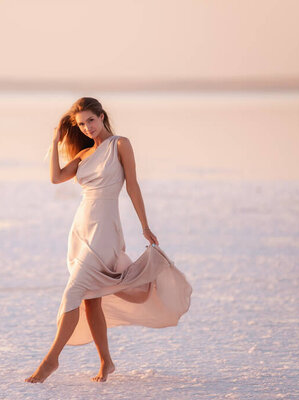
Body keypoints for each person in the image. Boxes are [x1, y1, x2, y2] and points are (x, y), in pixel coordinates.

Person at [25, 97, 192, 383]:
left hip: (105, 229)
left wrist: (144, 225)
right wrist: (55, 141)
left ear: (102, 116)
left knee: (74, 291)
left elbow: (133, 185)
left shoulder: (120, 144)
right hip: (81, 229)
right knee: (91, 300)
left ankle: (51, 360)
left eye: (91, 120)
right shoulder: (83, 155)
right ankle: (107, 362)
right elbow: (55, 178)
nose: (87, 127)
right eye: (81, 124)